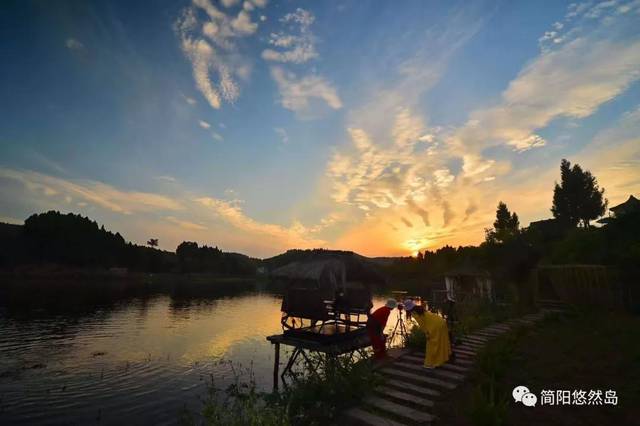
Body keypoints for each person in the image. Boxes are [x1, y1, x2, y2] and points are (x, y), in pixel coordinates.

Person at [404, 299, 451, 368]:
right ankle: (439, 360)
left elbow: (423, 324)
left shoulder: (415, 313)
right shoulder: (419, 309)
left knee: (431, 345)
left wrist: (427, 333)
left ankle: (431, 363)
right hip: (441, 322)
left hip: (435, 326)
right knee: (439, 343)